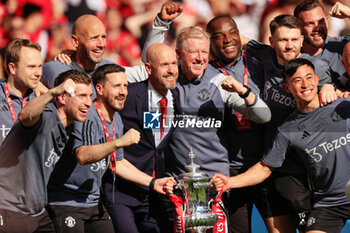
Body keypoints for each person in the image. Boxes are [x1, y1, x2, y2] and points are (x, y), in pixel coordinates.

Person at [212, 58, 350, 233]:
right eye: (297, 81)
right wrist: (230, 182)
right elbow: (264, 168)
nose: (305, 84)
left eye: (309, 78)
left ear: (316, 80)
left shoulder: (342, 105)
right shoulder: (287, 129)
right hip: (330, 204)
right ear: (288, 88)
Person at [47, 63, 174, 233]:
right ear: (99, 89)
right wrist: (118, 142)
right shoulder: (86, 114)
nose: (123, 92)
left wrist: (152, 182)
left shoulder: (117, 119)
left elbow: (117, 163)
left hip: (93, 202)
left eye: (125, 85)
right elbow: (82, 155)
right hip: (67, 202)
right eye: (116, 86)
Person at [205, 15, 293, 233]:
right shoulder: (203, 71)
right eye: (219, 36)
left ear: (240, 35)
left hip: (267, 164)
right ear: (209, 41)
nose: (228, 40)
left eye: (232, 33)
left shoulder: (260, 61)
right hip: (230, 170)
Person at [0, 69, 93, 233]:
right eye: (82, 96)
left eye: (90, 96)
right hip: (11, 209)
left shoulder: (67, 126)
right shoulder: (48, 115)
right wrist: (54, 91)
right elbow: (25, 116)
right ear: (63, 97)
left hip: (37, 212)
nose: (88, 103)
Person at [101, 43, 180, 233]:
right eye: (164, 65)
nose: (171, 70)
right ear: (148, 69)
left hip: (155, 193)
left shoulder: (178, 96)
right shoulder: (127, 93)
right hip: (120, 191)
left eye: (174, 64)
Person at [294, 0, 350, 90]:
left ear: (327, 21)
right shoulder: (292, 55)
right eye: (310, 24)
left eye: (321, 22)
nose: (317, 27)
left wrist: (349, 13)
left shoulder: (342, 46)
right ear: (298, 27)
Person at [0, 38, 45, 145]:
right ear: (12, 68)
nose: (38, 73)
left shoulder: (41, 98)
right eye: (31, 67)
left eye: (40, 66)